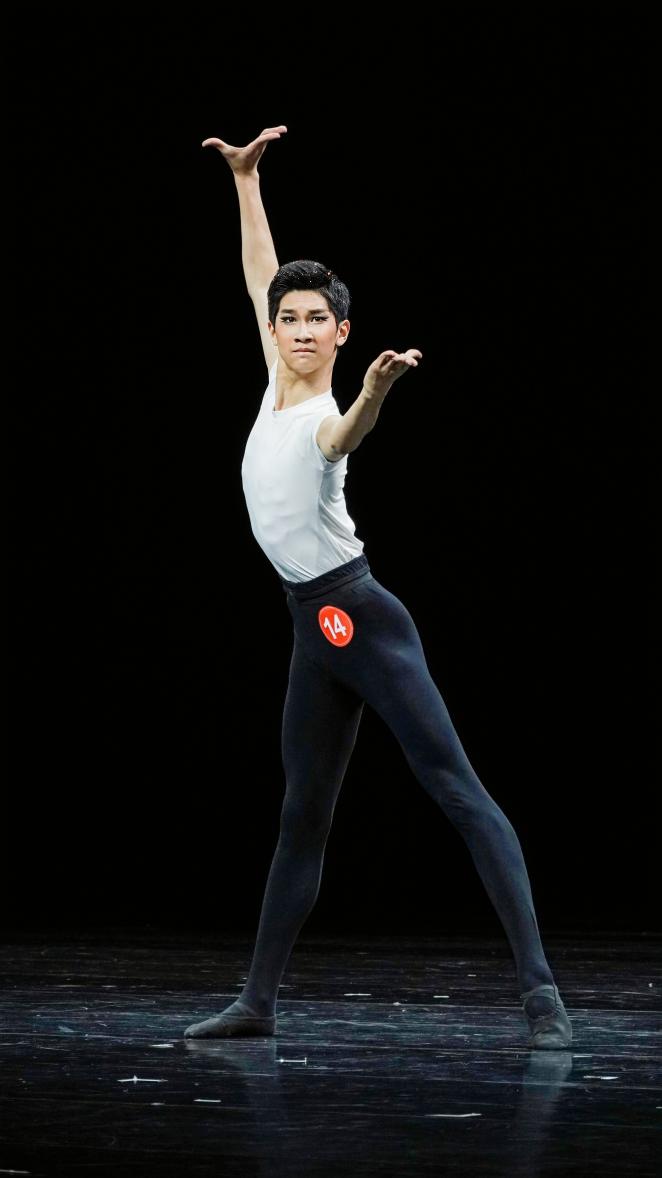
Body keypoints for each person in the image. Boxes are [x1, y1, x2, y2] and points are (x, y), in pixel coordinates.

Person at [184, 124, 572, 1050]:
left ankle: (542, 995)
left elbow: (345, 436)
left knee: (457, 791)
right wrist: (246, 182)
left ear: (342, 333)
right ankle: (258, 1004)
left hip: (363, 617)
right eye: (290, 318)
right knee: (301, 819)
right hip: (310, 628)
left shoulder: (323, 414)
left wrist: (374, 393)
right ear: (276, 329)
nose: (301, 329)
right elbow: (261, 271)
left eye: (317, 319)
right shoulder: (273, 380)